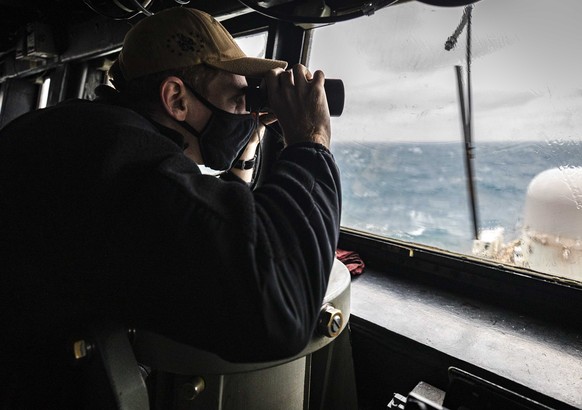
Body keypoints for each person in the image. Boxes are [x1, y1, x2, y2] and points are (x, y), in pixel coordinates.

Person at [0, 6, 341, 408]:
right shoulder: (128, 161)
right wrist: (311, 140)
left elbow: (202, 218)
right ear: (177, 98)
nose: (246, 112)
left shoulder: (82, 131)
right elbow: (280, 311)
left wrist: (245, 145)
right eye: (237, 98)